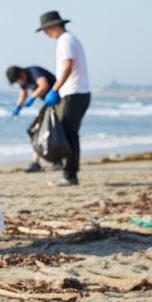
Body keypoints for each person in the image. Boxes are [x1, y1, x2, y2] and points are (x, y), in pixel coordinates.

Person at [36, 10, 90, 186]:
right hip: (77, 93)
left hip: (73, 93)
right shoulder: (69, 39)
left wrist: (55, 89)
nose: (45, 33)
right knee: (69, 134)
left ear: (54, 26)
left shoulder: (65, 40)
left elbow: (68, 65)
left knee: (68, 135)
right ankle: (69, 173)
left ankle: (69, 175)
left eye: (45, 29)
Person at [5, 64, 60, 172]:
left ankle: (58, 160)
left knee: (52, 132)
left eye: (18, 80)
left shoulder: (34, 71)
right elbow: (23, 94)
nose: (19, 83)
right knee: (36, 130)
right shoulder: (24, 81)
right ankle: (36, 162)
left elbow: (43, 85)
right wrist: (17, 107)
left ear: (22, 73)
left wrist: (33, 97)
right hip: (49, 104)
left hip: (58, 101)